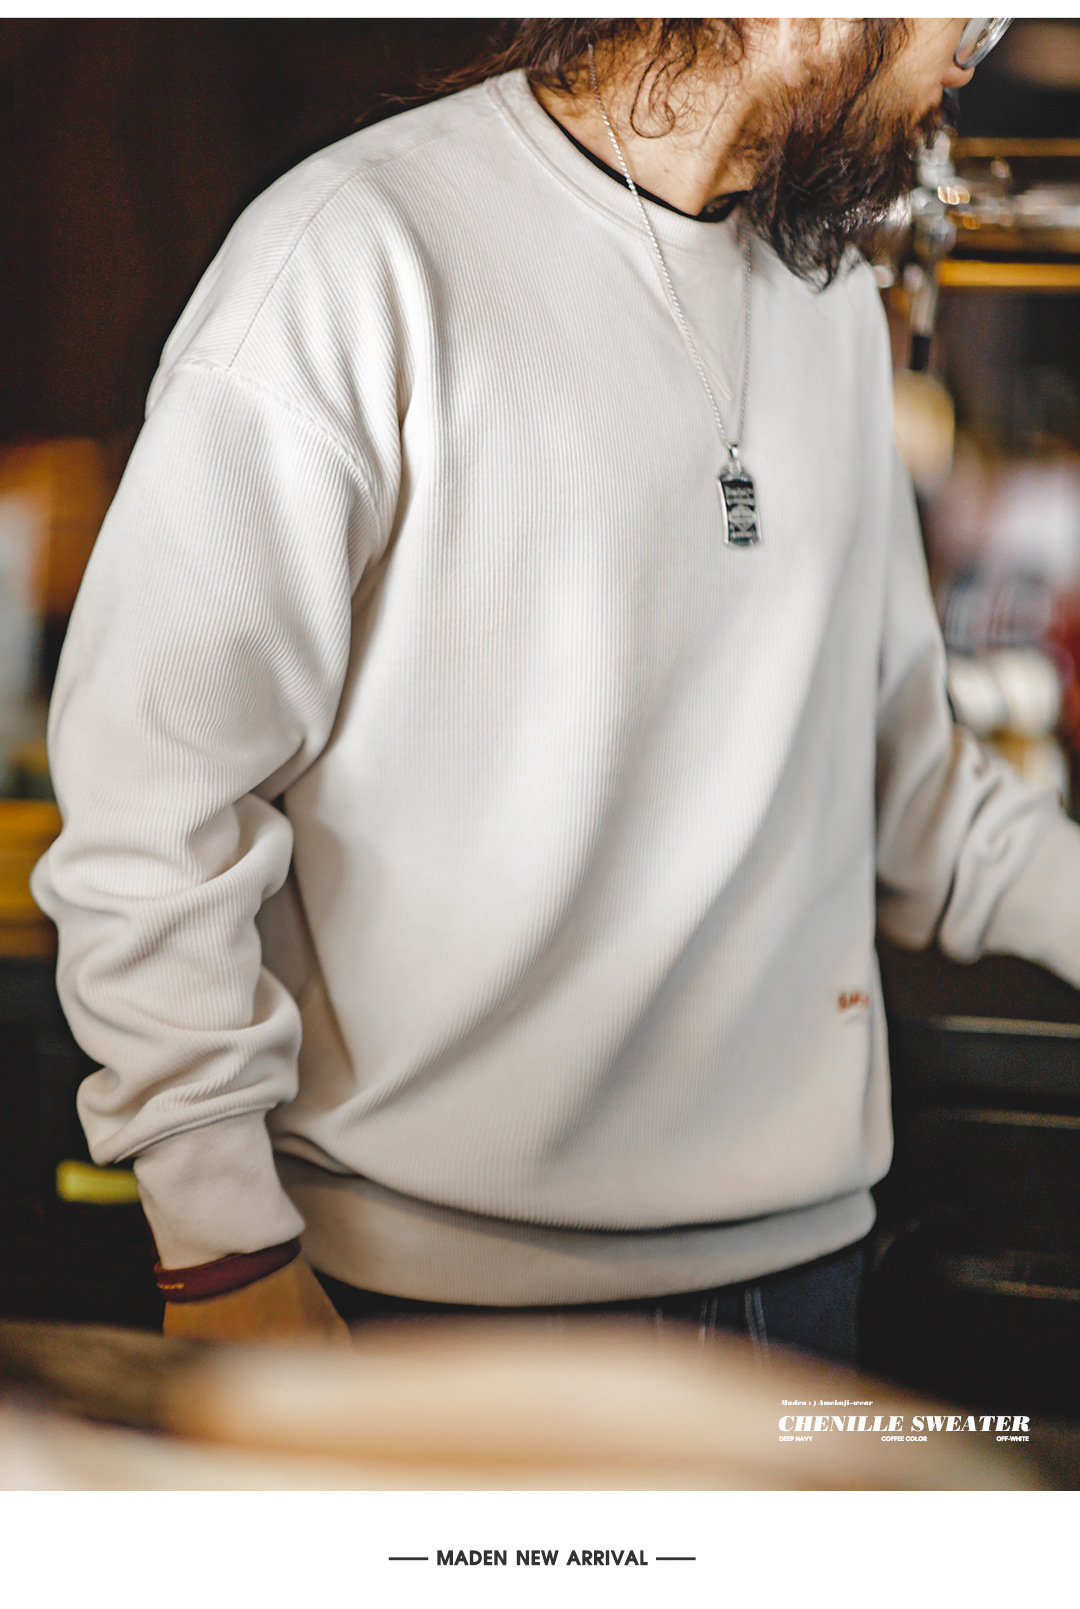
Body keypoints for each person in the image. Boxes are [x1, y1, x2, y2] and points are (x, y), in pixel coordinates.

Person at [34, 18, 1067, 1360]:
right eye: (972, 10)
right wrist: (222, 1243)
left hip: (805, 1287)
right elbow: (152, 804)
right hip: (419, 1304)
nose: (982, 43)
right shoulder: (355, 252)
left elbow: (912, 797)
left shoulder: (828, 302)